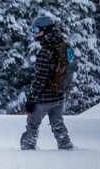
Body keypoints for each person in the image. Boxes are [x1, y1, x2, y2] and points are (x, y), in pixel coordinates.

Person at [20, 14, 74, 150]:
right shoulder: (63, 46)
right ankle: (66, 147)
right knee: (58, 125)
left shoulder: (45, 52)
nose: (35, 34)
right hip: (58, 96)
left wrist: (31, 99)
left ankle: (27, 150)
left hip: (43, 99)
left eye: (37, 30)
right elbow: (69, 70)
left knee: (32, 125)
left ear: (46, 30)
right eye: (33, 30)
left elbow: (40, 78)